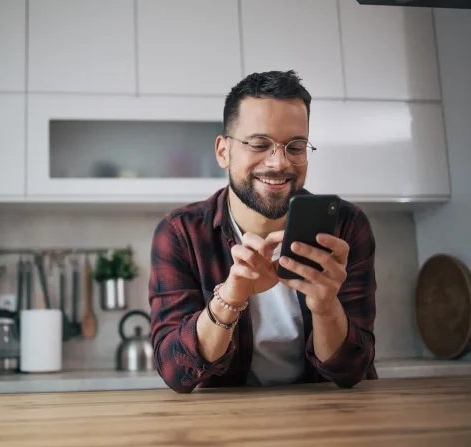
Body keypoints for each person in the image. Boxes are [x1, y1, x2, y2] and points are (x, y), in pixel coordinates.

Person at [148, 70, 377, 394]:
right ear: (223, 151)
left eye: (295, 147)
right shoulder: (181, 234)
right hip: (225, 427)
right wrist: (230, 297)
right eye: (259, 144)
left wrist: (326, 306)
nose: (278, 162)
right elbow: (176, 372)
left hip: (327, 420)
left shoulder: (346, 227)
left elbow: (352, 371)